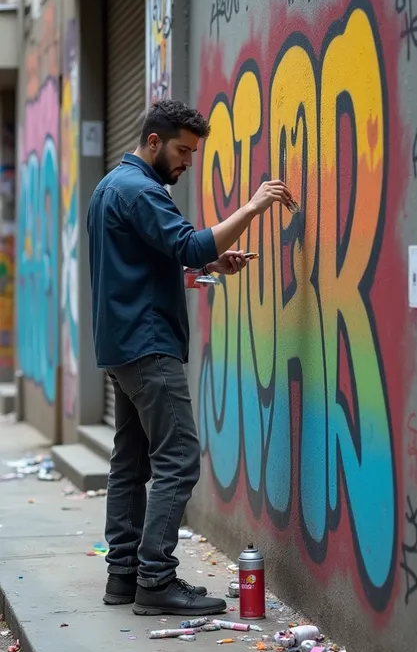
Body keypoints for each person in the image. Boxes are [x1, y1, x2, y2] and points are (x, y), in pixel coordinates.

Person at [87, 99, 292, 616]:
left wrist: (214, 263)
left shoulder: (109, 188)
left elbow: (142, 264)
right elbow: (187, 244)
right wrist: (252, 207)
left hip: (121, 345)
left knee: (131, 463)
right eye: (182, 150)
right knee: (177, 459)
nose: (188, 161)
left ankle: (124, 577)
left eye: (193, 152)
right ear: (153, 141)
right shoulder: (141, 190)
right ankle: (156, 579)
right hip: (148, 347)